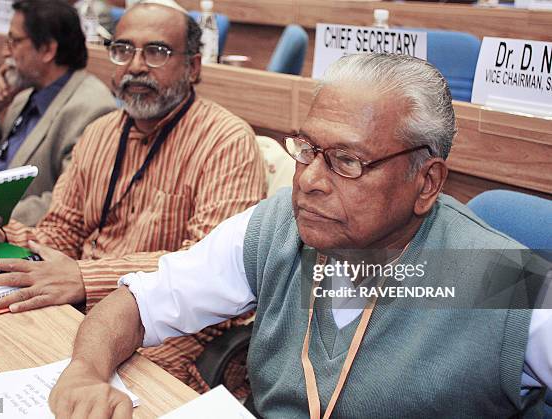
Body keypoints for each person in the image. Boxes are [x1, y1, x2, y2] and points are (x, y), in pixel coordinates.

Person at [48, 53, 552, 418]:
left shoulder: (492, 277)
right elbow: (137, 302)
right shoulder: (280, 228)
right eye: (307, 148)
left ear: (426, 183)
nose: (310, 179)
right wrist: (85, 371)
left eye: (348, 161)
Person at [0, 0, 265, 396]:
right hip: (73, 310)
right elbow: (61, 231)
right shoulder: (100, 133)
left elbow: (206, 268)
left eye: (156, 52)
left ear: (193, 67)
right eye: (123, 50)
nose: (134, 66)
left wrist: (83, 277)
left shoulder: (226, 141)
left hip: (166, 330)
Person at [0, 0, 115, 226]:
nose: (5, 51)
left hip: (21, 240)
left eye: (14, 41)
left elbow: (70, 203)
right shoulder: (23, 96)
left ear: (47, 49)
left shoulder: (91, 109)